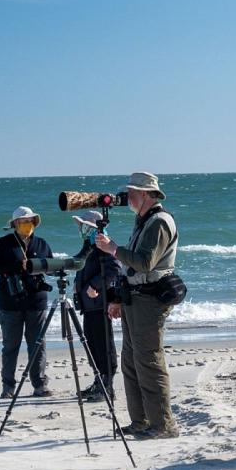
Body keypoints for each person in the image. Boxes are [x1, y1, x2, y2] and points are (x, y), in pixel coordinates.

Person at [95, 172, 180, 438]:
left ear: (145, 194)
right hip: (136, 296)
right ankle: (141, 421)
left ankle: (163, 425)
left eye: (131, 193)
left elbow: (144, 263)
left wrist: (113, 249)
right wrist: (119, 297)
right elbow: (133, 267)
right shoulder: (144, 220)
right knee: (131, 362)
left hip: (150, 299)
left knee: (149, 361)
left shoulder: (159, 222)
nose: (127, 197)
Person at [0, 205, 53, 398]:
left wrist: (38, 267)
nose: (27, 225)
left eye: (30, 221)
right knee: (10, 346)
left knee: (38, 344)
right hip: (10, 302)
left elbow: (50, 265)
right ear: (15, 224)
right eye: (23, 221)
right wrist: (16, 267)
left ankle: (40, 384)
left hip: (36, 301)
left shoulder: (41, 244)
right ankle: (8, 386)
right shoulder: (3, 244)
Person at [71, 210, 121, 402]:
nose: (82, 229)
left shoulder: (103, 244)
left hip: (100, 305)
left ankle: (107, 387)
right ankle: (98, 381)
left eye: (84, 226)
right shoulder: (90, 246)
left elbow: (115, 269)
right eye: (81, 226)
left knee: (103, 346)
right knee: (92, 344)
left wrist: (95, 285)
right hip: (89, 305)